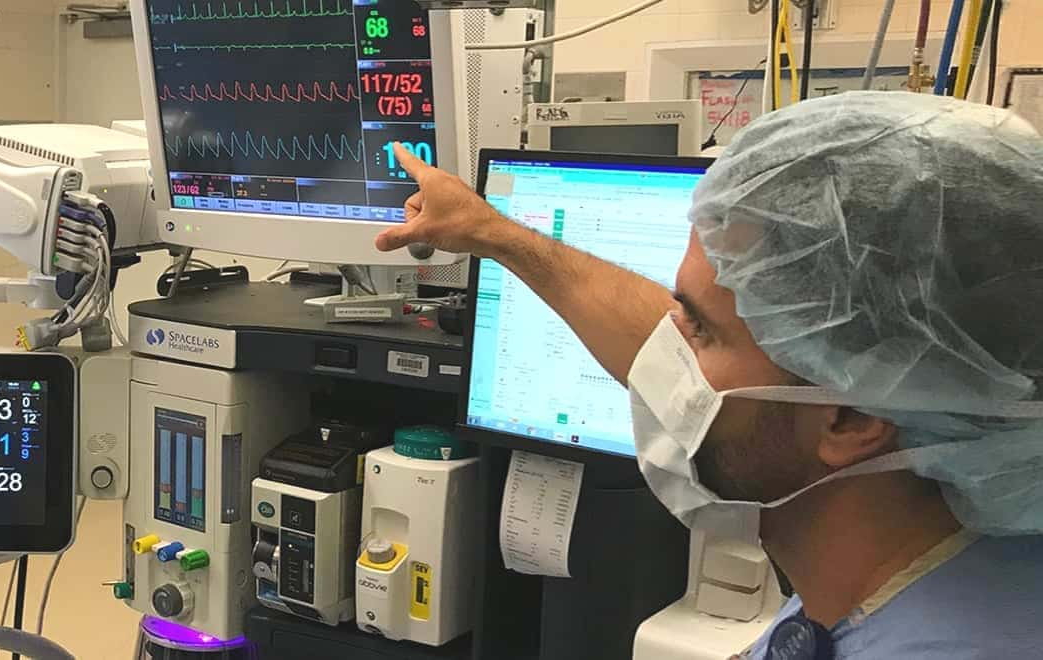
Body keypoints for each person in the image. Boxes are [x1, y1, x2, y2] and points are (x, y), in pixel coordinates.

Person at [377, 91, 1043, 658]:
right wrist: (493, 232)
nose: (664, 352)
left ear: (853, 416)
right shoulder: (953, 558)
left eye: (695, 327)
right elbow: (723, 346)